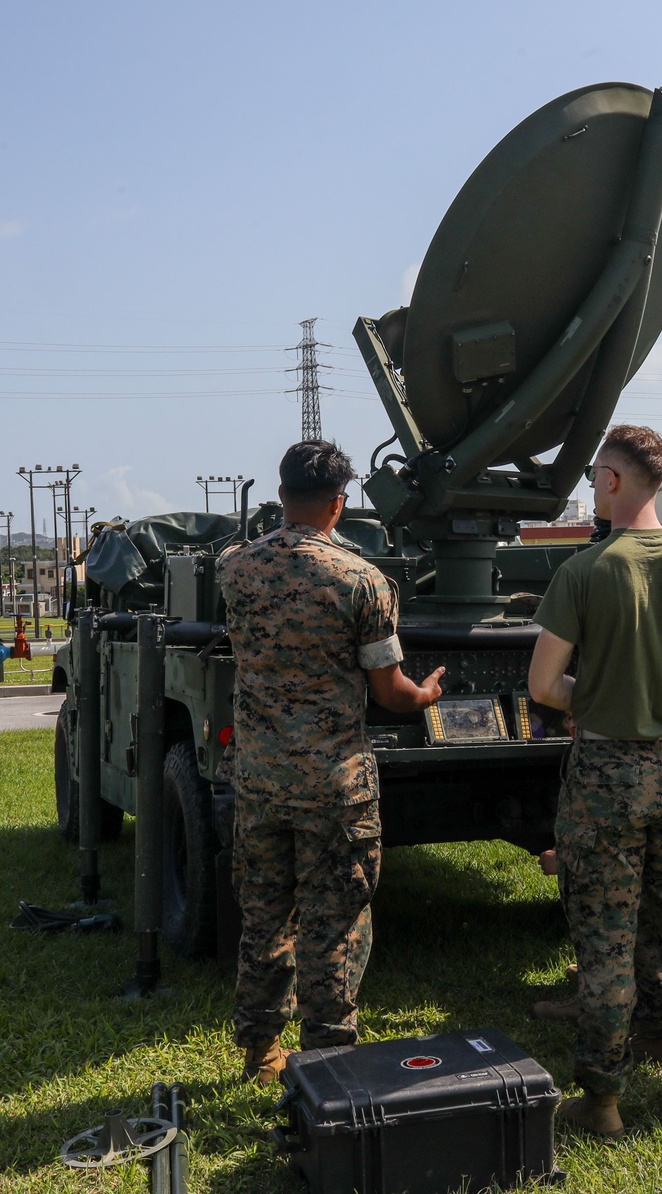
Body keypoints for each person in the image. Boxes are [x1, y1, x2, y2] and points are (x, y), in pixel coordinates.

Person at [528, 425, 662, 1139]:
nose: (593, 488)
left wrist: (591, 699)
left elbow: (542, 683)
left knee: (606, 941)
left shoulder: (583, 571)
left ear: (615, 481)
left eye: (596, 477)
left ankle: (604, 1101)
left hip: (604, 776)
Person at [217, 440, 445, 1086]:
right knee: (336, 921)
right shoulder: (361, 580)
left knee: (264, 916)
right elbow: (389, 691)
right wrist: (424, 695)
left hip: (260, 781)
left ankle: (260, 1052)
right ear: (339, 505)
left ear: (282, 494)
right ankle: (328, 1056)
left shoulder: (236, 568)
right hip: (335, 784)